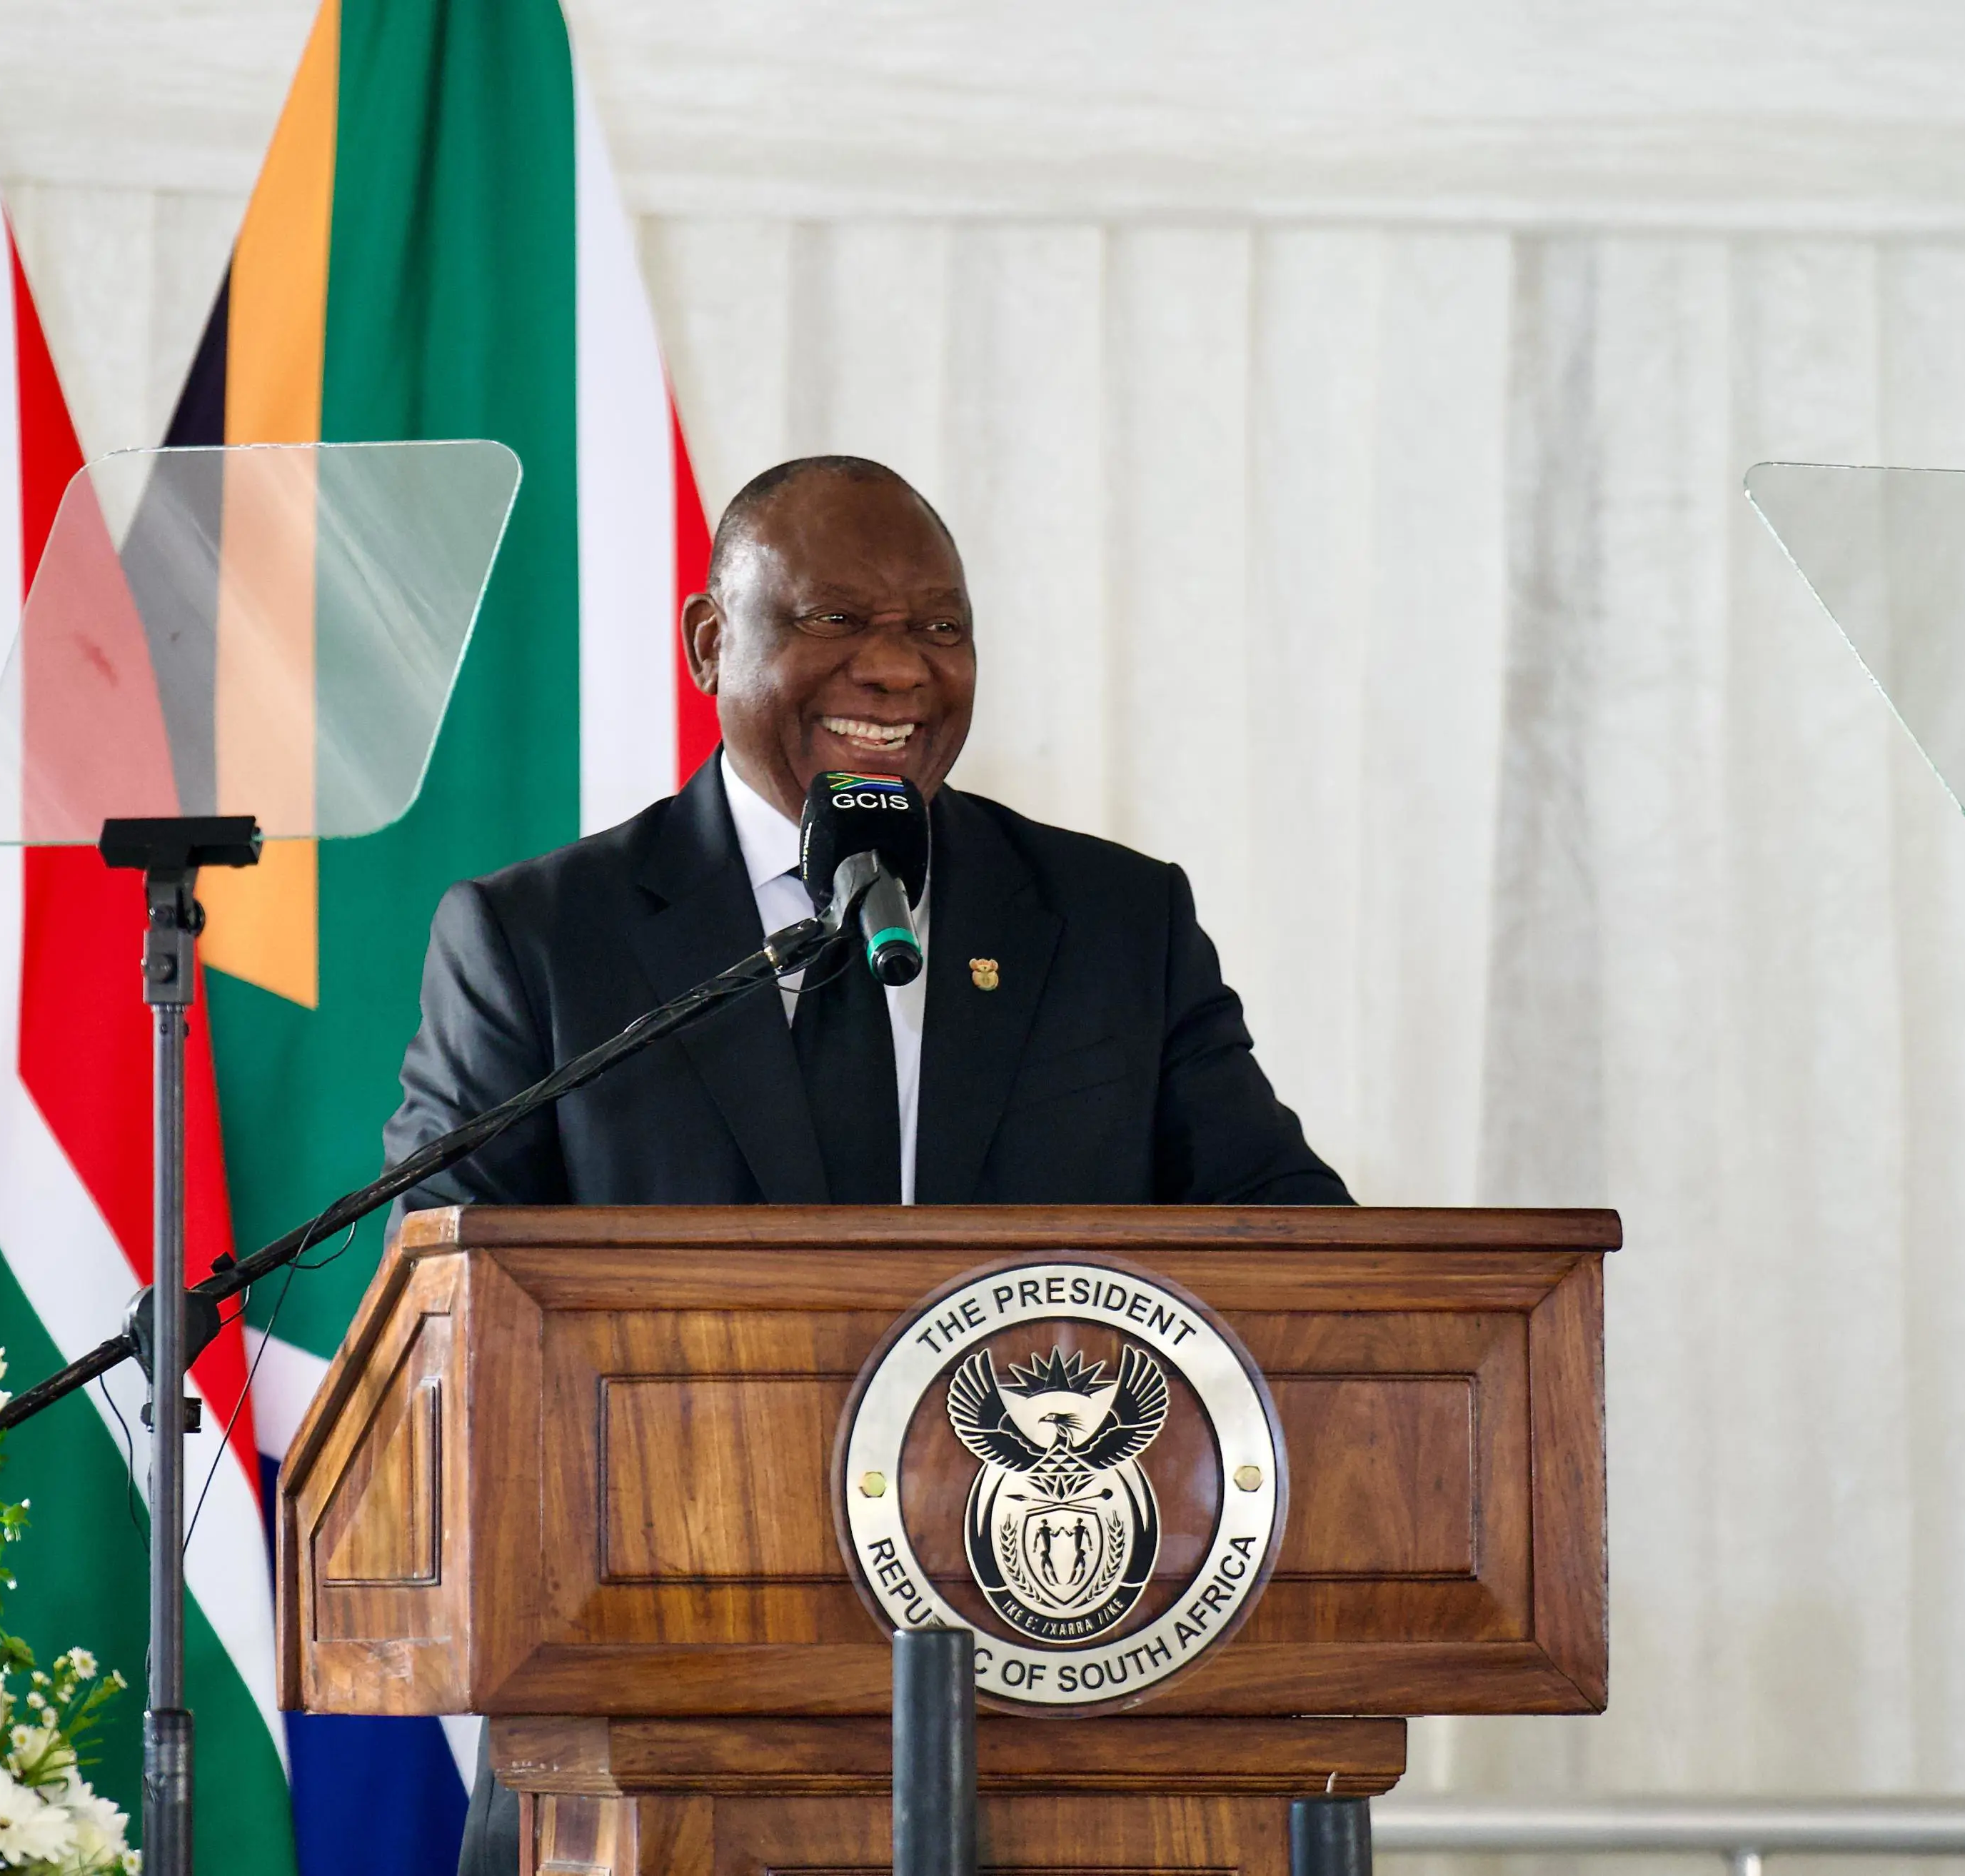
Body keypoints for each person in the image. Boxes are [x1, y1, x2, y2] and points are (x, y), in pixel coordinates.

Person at [382, 454, 1349, 1876]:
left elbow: (1296, 1241)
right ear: (717, 640)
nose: (897, 669)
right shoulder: (543, 938)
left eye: (942, 628)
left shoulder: (1111, 922)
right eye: (838, 618)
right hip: (663, 1716)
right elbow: (445, 1317)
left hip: (1059, 1708)